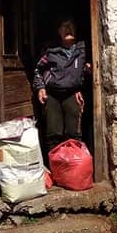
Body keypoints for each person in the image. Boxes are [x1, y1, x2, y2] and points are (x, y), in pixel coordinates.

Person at [32, 18, 90, 154]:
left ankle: (73, 166)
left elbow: (92, 72)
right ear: (59, 31)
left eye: (71, 26)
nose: (68, 29)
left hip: (72, 93)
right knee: (54, 133)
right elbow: (38, 70)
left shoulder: (84, 50)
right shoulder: (50, 51)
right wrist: (40, 87)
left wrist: (82, 87)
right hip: (52, 94)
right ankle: (57, 167)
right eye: (64, 26)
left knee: (74, 133)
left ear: (76, 29)